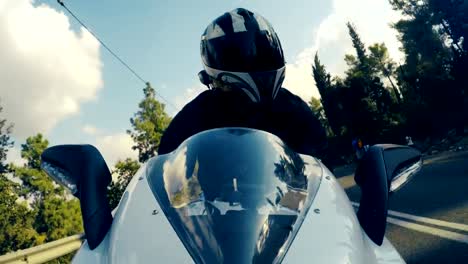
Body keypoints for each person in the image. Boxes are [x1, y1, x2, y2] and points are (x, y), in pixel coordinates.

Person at [158, 8, 327, 159]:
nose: (254, 58)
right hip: (217, 194)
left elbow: (320, 166)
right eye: (244, 54)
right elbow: (165, 166)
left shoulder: (293, 109)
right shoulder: (197, 115)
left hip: (290, 193)